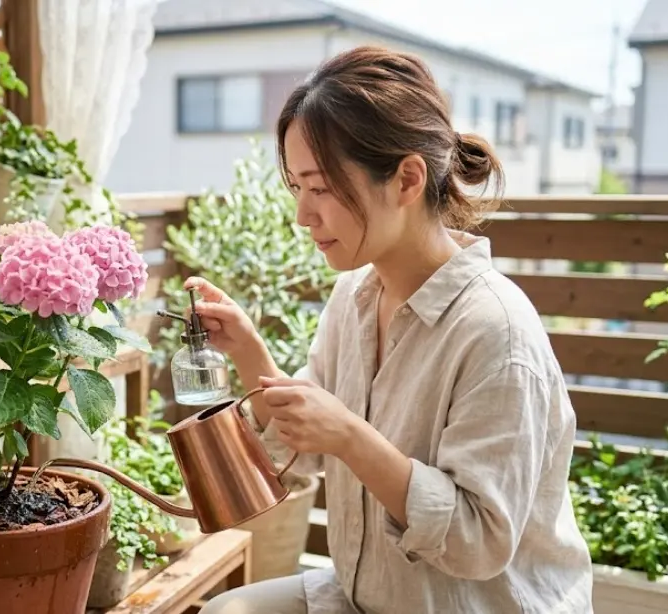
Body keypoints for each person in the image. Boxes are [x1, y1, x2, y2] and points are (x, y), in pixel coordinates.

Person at [193, 46, 594, 613]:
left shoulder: (496, 333)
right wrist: (251, 357)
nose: (303, 215)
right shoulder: (354, 298)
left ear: (407, 179)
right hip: (371, 596)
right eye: (297, 188)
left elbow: (478, 543)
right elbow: (301, 452)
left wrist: (351, 438)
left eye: (322, 187)